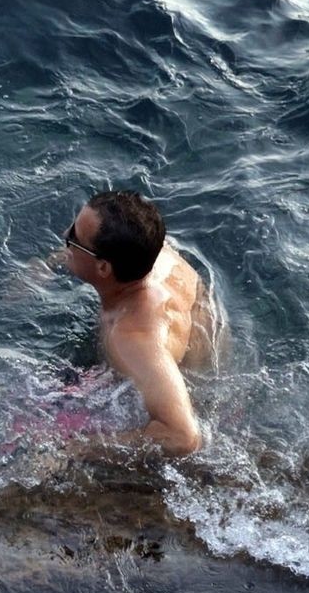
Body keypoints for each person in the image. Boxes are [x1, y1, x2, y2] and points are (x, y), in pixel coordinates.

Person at [47, 188, 217, 458]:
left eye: (73, 238)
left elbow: (183, 437)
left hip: (187, 397)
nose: (64, 236)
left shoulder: (131, 337)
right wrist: (44, 267)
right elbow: (88, 254)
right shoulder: (153, 253)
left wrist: (79, 448)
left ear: (104, 268)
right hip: (195, 356)